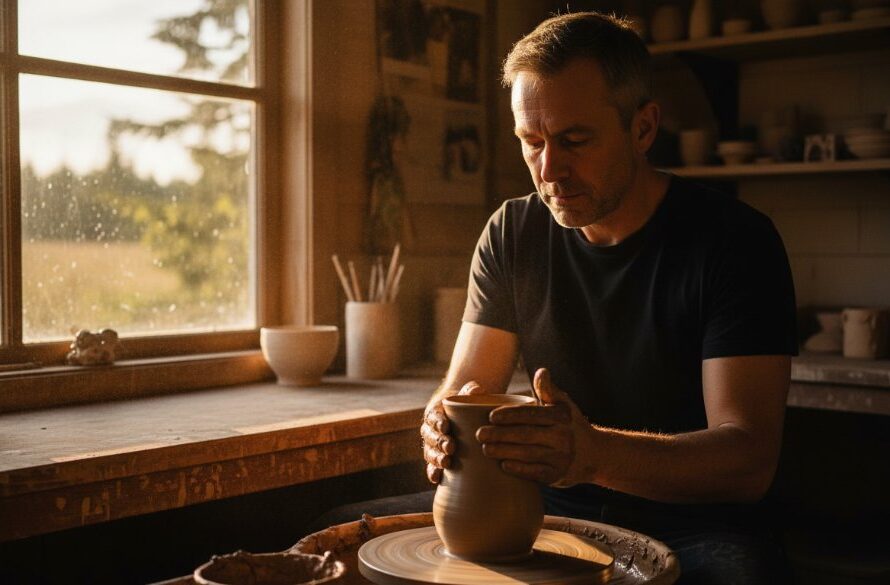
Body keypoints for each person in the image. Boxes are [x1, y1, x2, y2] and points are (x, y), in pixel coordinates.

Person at [417, 11, 798, 585]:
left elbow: (747, 462)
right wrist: (440, 423)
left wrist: (591, 454)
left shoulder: (734, 241)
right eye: (532, 141)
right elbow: (467, 392)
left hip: (697, 525)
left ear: (643, 128)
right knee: (345, 536)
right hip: (546, 512)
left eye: (574, 140)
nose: (549, 170)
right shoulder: (513, 232)